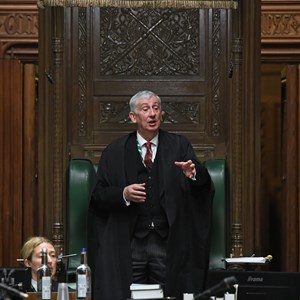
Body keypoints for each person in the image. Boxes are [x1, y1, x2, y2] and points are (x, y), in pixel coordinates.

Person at [89, 90, 214, 300]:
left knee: (168, 294)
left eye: (156, 108)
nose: (152, 114)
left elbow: (204, 183)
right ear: (133, 117)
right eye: (145, 109)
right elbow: (98, 196)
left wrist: (192, 173)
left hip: (167, 242)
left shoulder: (178, 145)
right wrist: (124, 194)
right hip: (130, 242)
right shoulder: (115, 151)